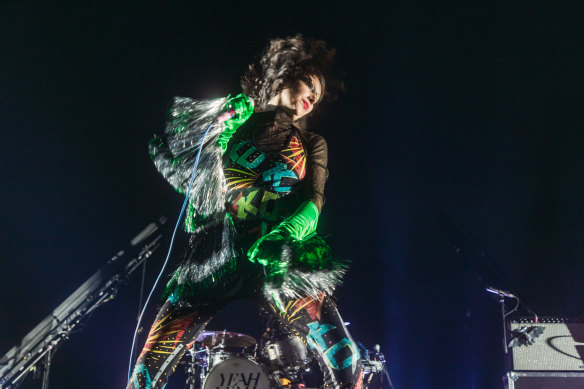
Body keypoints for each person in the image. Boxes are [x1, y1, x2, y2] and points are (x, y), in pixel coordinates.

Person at [127, 35, 363, 389]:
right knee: (144, 375)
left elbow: (314, 203)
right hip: (214, 261)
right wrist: (219, 121)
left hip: (277, 264)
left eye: (318, 95)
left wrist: (282, 237)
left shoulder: (312, 144)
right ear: (283, 76)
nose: (313, 98)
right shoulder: (234, 121)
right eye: (309, 84)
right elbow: (196, 180)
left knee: (346, 361)